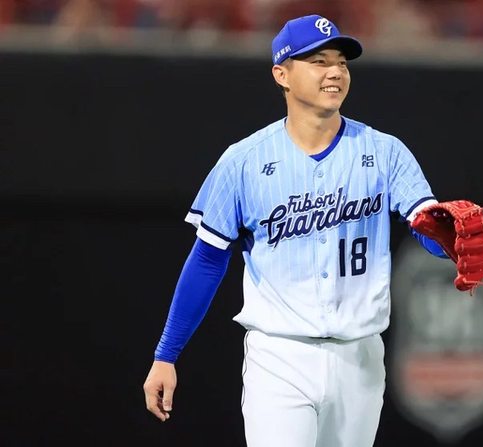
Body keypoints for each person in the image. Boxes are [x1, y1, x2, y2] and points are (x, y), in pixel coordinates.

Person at [143, 14, 455, 447]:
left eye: (341, 62)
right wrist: (166, 354)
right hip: (279, 356)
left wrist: (451, 240)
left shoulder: (386, 152)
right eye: (319, 61)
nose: (335, 72)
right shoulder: (244, 161)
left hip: (360, 355)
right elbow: (208, 260)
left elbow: (425, 226)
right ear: (282, 74)